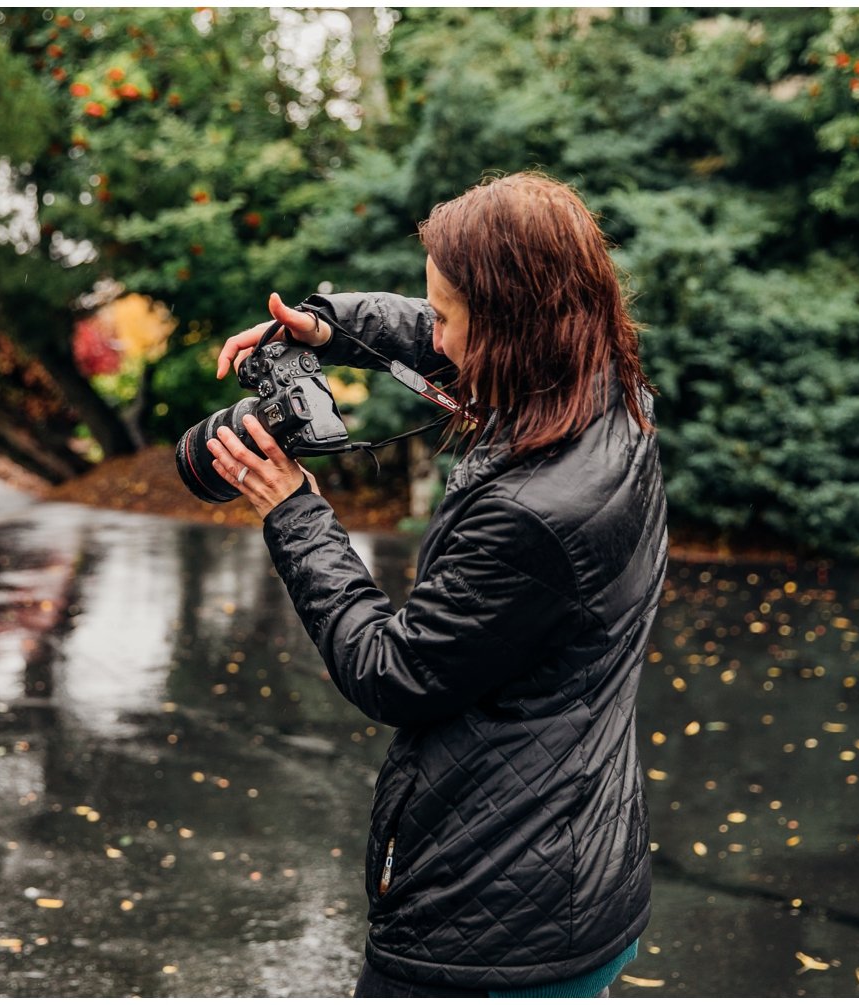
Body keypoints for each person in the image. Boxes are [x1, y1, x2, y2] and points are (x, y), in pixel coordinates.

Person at [206, 172, 667, 996]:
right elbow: (435, 329)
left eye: (453, 319)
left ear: (514, 324)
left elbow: (396, 671)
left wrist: (295, 513)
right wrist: (332, 325)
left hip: (489, 926)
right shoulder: (606, 394)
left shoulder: (533, 509)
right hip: (579, 879)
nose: (440, 339)